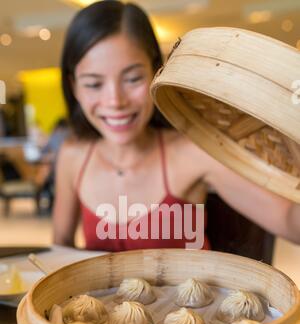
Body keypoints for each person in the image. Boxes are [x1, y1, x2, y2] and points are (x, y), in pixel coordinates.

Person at [53, 0, 300, 251]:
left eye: (133, 78)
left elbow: (289, 221)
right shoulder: (73, 155)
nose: (115, 101)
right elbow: (59, 248)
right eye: (94, 84)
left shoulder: (194, 150)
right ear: (74, 87)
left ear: (155, 72)